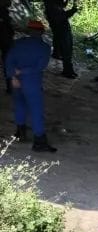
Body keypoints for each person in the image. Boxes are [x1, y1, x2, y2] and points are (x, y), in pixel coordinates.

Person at [5, 20, 57, 152]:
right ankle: (39, 141)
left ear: (28, 31)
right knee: (36, 110)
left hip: (16, 81)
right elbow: (40, 67)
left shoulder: (17, 44)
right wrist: (22, 72)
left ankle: (20, 133)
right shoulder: (44, 47)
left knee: (20, 105)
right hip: (32, 81)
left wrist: (13, 76)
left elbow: (8, 60)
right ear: (41, 32)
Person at [42, 0, 77, 78]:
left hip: (60, 27)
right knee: (66, 48)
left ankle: (68, 68)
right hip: (61, 27)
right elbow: (62, 16)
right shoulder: (53, 6)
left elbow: (62, 12)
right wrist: (72, 11)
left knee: (66, 48)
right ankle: (67, 70)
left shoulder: (51, 2)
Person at [0, 0, 15, 93]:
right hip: (4, 39)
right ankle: (10, 86)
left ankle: (10, 86)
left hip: (5, 39)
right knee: (8, 62)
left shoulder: (4, 11)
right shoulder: (3, 12)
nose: (10, 1)